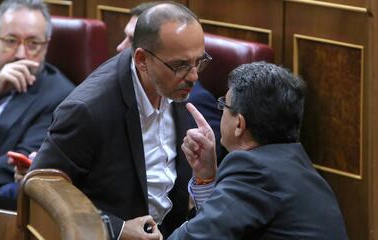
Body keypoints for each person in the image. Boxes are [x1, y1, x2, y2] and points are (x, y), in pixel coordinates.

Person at [30, 2, 210, 239]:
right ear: (142, 60)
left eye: (199, 61)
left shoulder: (177, 86)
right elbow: (40, 187)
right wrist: (117, 229)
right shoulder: (89, 109)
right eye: (181, 66)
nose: (194, 76)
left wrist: (206, 176)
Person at [168, 62, 348, 239]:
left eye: (224, 104)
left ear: (239, 124)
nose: (221, 110)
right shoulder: (297, 167)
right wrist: (206, 178)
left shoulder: (255, 171)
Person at [0, 0, 74, 192]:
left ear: (46, 47)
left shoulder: (59, 97)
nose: (21, 54)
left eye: (33, 44)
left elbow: (17, 164)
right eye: (11, 41)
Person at [117, 1, 226, 164]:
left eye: (132, 40)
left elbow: (214, 163)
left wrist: (203, 181)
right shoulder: (118, 95)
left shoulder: (195, 101)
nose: (120, 47)